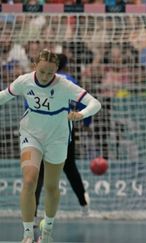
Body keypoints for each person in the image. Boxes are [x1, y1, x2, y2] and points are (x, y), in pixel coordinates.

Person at [0, 49, 102, 243]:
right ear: (35, 66)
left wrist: (82, 114)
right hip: (31, 135)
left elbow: (95, 103)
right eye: (42, 72)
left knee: (52, 186)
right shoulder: (24, 81)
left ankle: (47, 229)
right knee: (29, 180)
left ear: (56, 70)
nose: (46, 76)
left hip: (57, 138)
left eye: (50, 73)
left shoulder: (64, 85)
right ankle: (28, 234)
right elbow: (4, 96)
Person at [34, 53, 91, 220]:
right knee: (70, 167)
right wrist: (86, 123)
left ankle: (34, 214)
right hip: (63, 129)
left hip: (41, 129)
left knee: (40, 170)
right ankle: (84, 206)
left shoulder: (38, 79)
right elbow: (84, 103)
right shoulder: (70, 80)